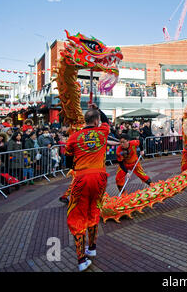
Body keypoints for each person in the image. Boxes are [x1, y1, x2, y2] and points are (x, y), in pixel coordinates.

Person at [64, 104, 110, 272]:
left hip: (82, 178)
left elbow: (68, 161)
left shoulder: (74, 137)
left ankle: (82, 259)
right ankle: (92, 247)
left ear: (85, 120)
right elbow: (106, 121)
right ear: (96, 120)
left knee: (77, 216)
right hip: (99, 178)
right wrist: (99, 110)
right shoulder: (102, 132)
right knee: (94, 211)